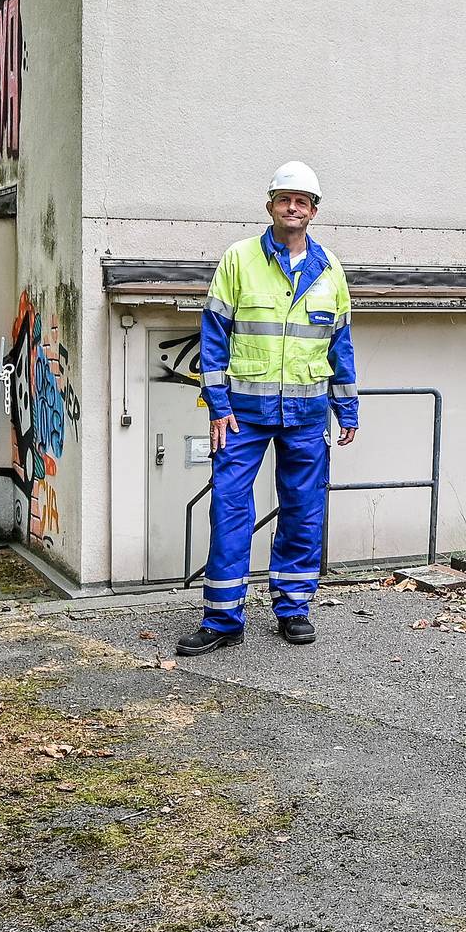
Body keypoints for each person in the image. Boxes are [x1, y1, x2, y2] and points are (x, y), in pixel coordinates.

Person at [177, 160, 359, 655]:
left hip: (305, 414)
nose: (293, 207)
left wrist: (348, 409)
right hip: (241, 413)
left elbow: (338, 345)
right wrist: (217, 406)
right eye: (285, 199)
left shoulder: (331, 271)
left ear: (314, 211)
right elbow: (213, 338)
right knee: (230, 506)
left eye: (302, 201)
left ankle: (293, 608)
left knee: (303, 510)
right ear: (270, 205)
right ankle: (222, 618)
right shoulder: (238, 260)